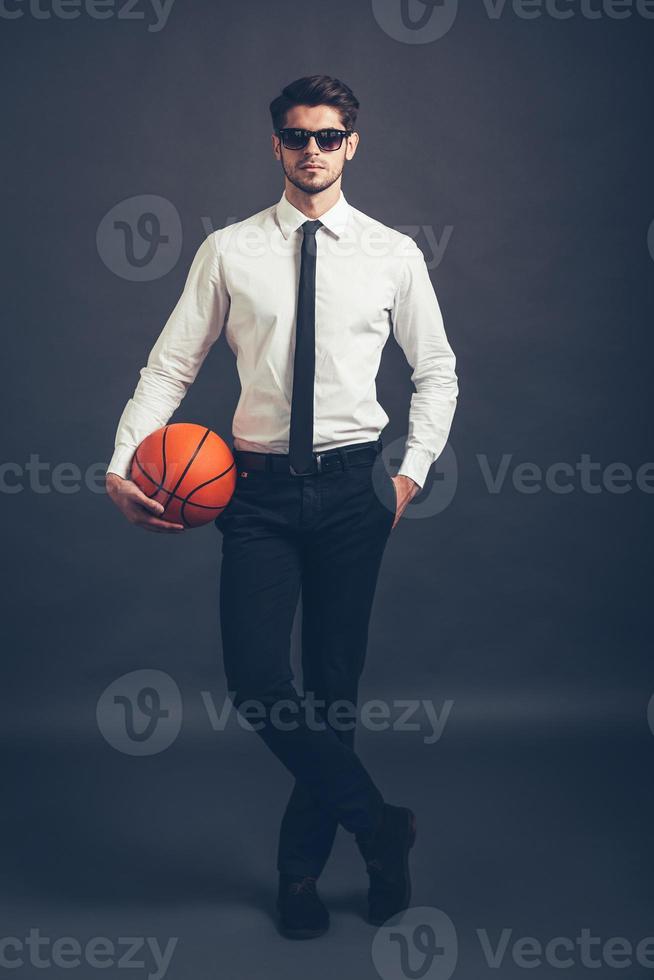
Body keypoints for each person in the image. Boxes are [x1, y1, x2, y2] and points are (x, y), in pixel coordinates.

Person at [105, 74, 458, 939]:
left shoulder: (391, 253)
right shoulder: (228, 250)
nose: (312, 151)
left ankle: (298, 876)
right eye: (297, 137)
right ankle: (381, 824)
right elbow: (168, 368)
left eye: (328, 137)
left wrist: (410, 470)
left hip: (352, 490)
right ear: (275, 146)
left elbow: (437, 370)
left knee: (334, 691)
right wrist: (122, 463)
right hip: (255, 493)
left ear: (352, 144)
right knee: (260, 681)